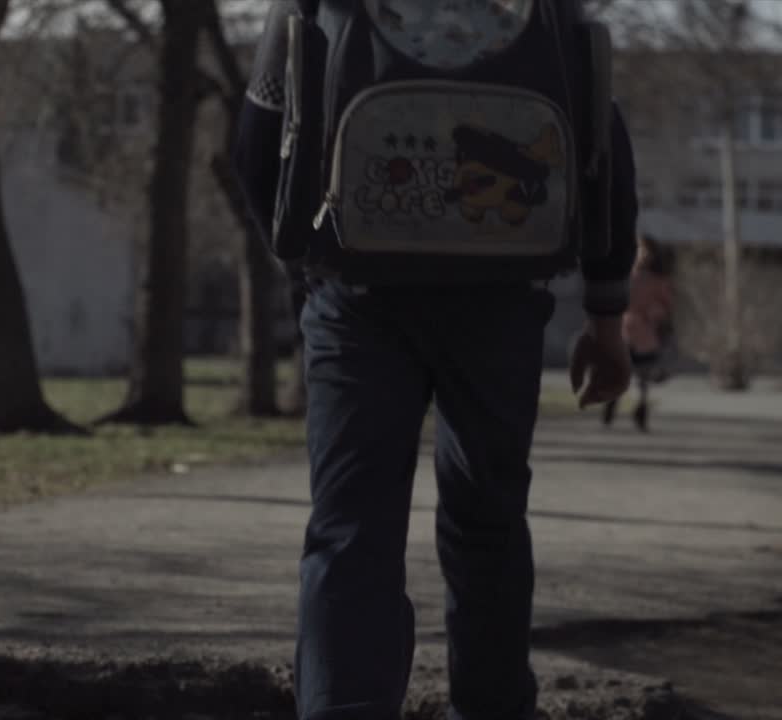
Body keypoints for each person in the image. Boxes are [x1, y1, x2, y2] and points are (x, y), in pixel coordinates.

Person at [234, 2, 638, 717]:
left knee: (351, 528)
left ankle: (342, 706)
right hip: (500, 299)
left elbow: (256, 145)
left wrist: (308, 263)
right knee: (488, 520)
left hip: (356, 298)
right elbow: (602, 153)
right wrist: (606, 317)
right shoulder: (550, 9)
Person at [602, 234, 675, 432]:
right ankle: (611, 405)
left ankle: (640, 413)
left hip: (645, 334)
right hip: (624, 331)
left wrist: (655, 313)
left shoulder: (658, 280)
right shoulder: (625, 275)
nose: (643, 255)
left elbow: (666, 306)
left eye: (647, 251)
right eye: (640, 250)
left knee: (642, 377)